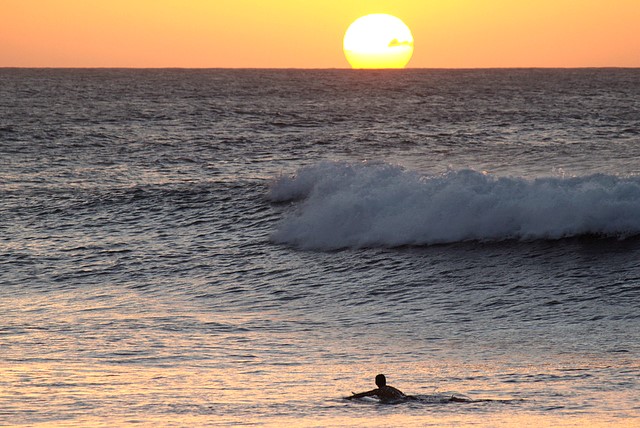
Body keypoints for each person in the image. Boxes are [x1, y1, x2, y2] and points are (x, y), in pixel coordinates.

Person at [345, 374, 411, 402]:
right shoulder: (392, 388)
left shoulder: (379, 391)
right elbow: (403, 396)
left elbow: (365, 394)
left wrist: (351, 397)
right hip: (405, 399)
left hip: (396, 401)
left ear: (376, 382)